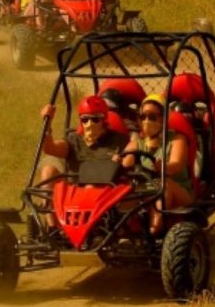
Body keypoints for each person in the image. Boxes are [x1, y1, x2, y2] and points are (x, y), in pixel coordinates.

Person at [121, 93, 193, 235]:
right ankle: (118, 231)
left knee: (163, 186)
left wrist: (164, 167)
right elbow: (124, 161)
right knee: (121, 192)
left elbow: (177, 164)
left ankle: (154, 230)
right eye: (143, 117)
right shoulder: (138, 143)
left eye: (152, 117)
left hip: (178, 191)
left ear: (163, 118)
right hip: (146, 190)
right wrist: (121, 160)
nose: (147, 121)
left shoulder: (177, 139)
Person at [40, 95, 129, 183]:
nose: (90, 124)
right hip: (75, 192)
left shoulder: (119, 140)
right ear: (80, 121)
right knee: (48, 171)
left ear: (104, 120)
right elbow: (49, 149)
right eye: (85, 119)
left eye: (95, 119)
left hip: (105, 192)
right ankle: (45, 198)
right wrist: (47, 124)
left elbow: (130, 163)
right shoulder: (74, 140)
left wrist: (120, 163)